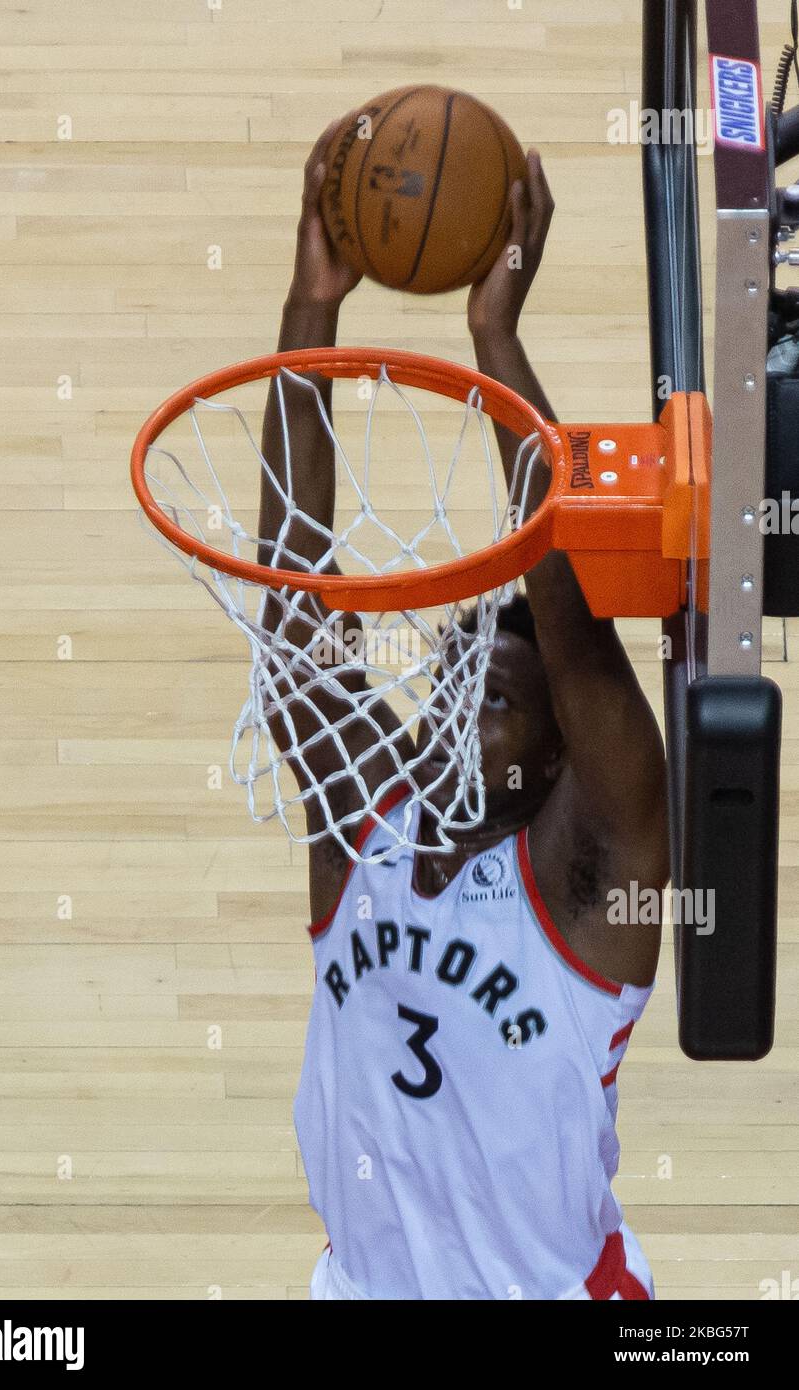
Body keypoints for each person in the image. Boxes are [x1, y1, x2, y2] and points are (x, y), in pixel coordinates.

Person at [257, 121, 670, 1300]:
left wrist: (495, 340)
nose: (453, 692)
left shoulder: (591, 878)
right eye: (445, 672)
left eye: (496, 693)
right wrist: (309, 309)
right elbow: (296, 595)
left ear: (557, 757)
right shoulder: (360, 831)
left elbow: (575, 626)